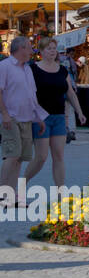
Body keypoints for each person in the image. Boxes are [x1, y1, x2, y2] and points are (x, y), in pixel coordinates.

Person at [24, 37, 85, 187]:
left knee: (58, 156)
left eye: (54, 48)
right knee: (41, 157)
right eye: (49, 48)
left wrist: (79, 112)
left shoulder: (62, 70)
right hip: (40, 117)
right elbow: (27, 93)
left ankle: (61, 192)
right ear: (41, 51)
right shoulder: (33, 69)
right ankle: (22, 183)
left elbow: (70, 93)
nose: (52, 51)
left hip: (58, 116)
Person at [0, 37, 47, 203]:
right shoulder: (4, 66)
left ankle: (10, 196)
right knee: (12, 154)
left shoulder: (27, 69)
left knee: (20, 157)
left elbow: (31, 96)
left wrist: (38, 117)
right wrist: (4, 114)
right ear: (20, 49)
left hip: (27, 118)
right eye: (29, 48)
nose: (32, 52)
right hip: (11, 117)